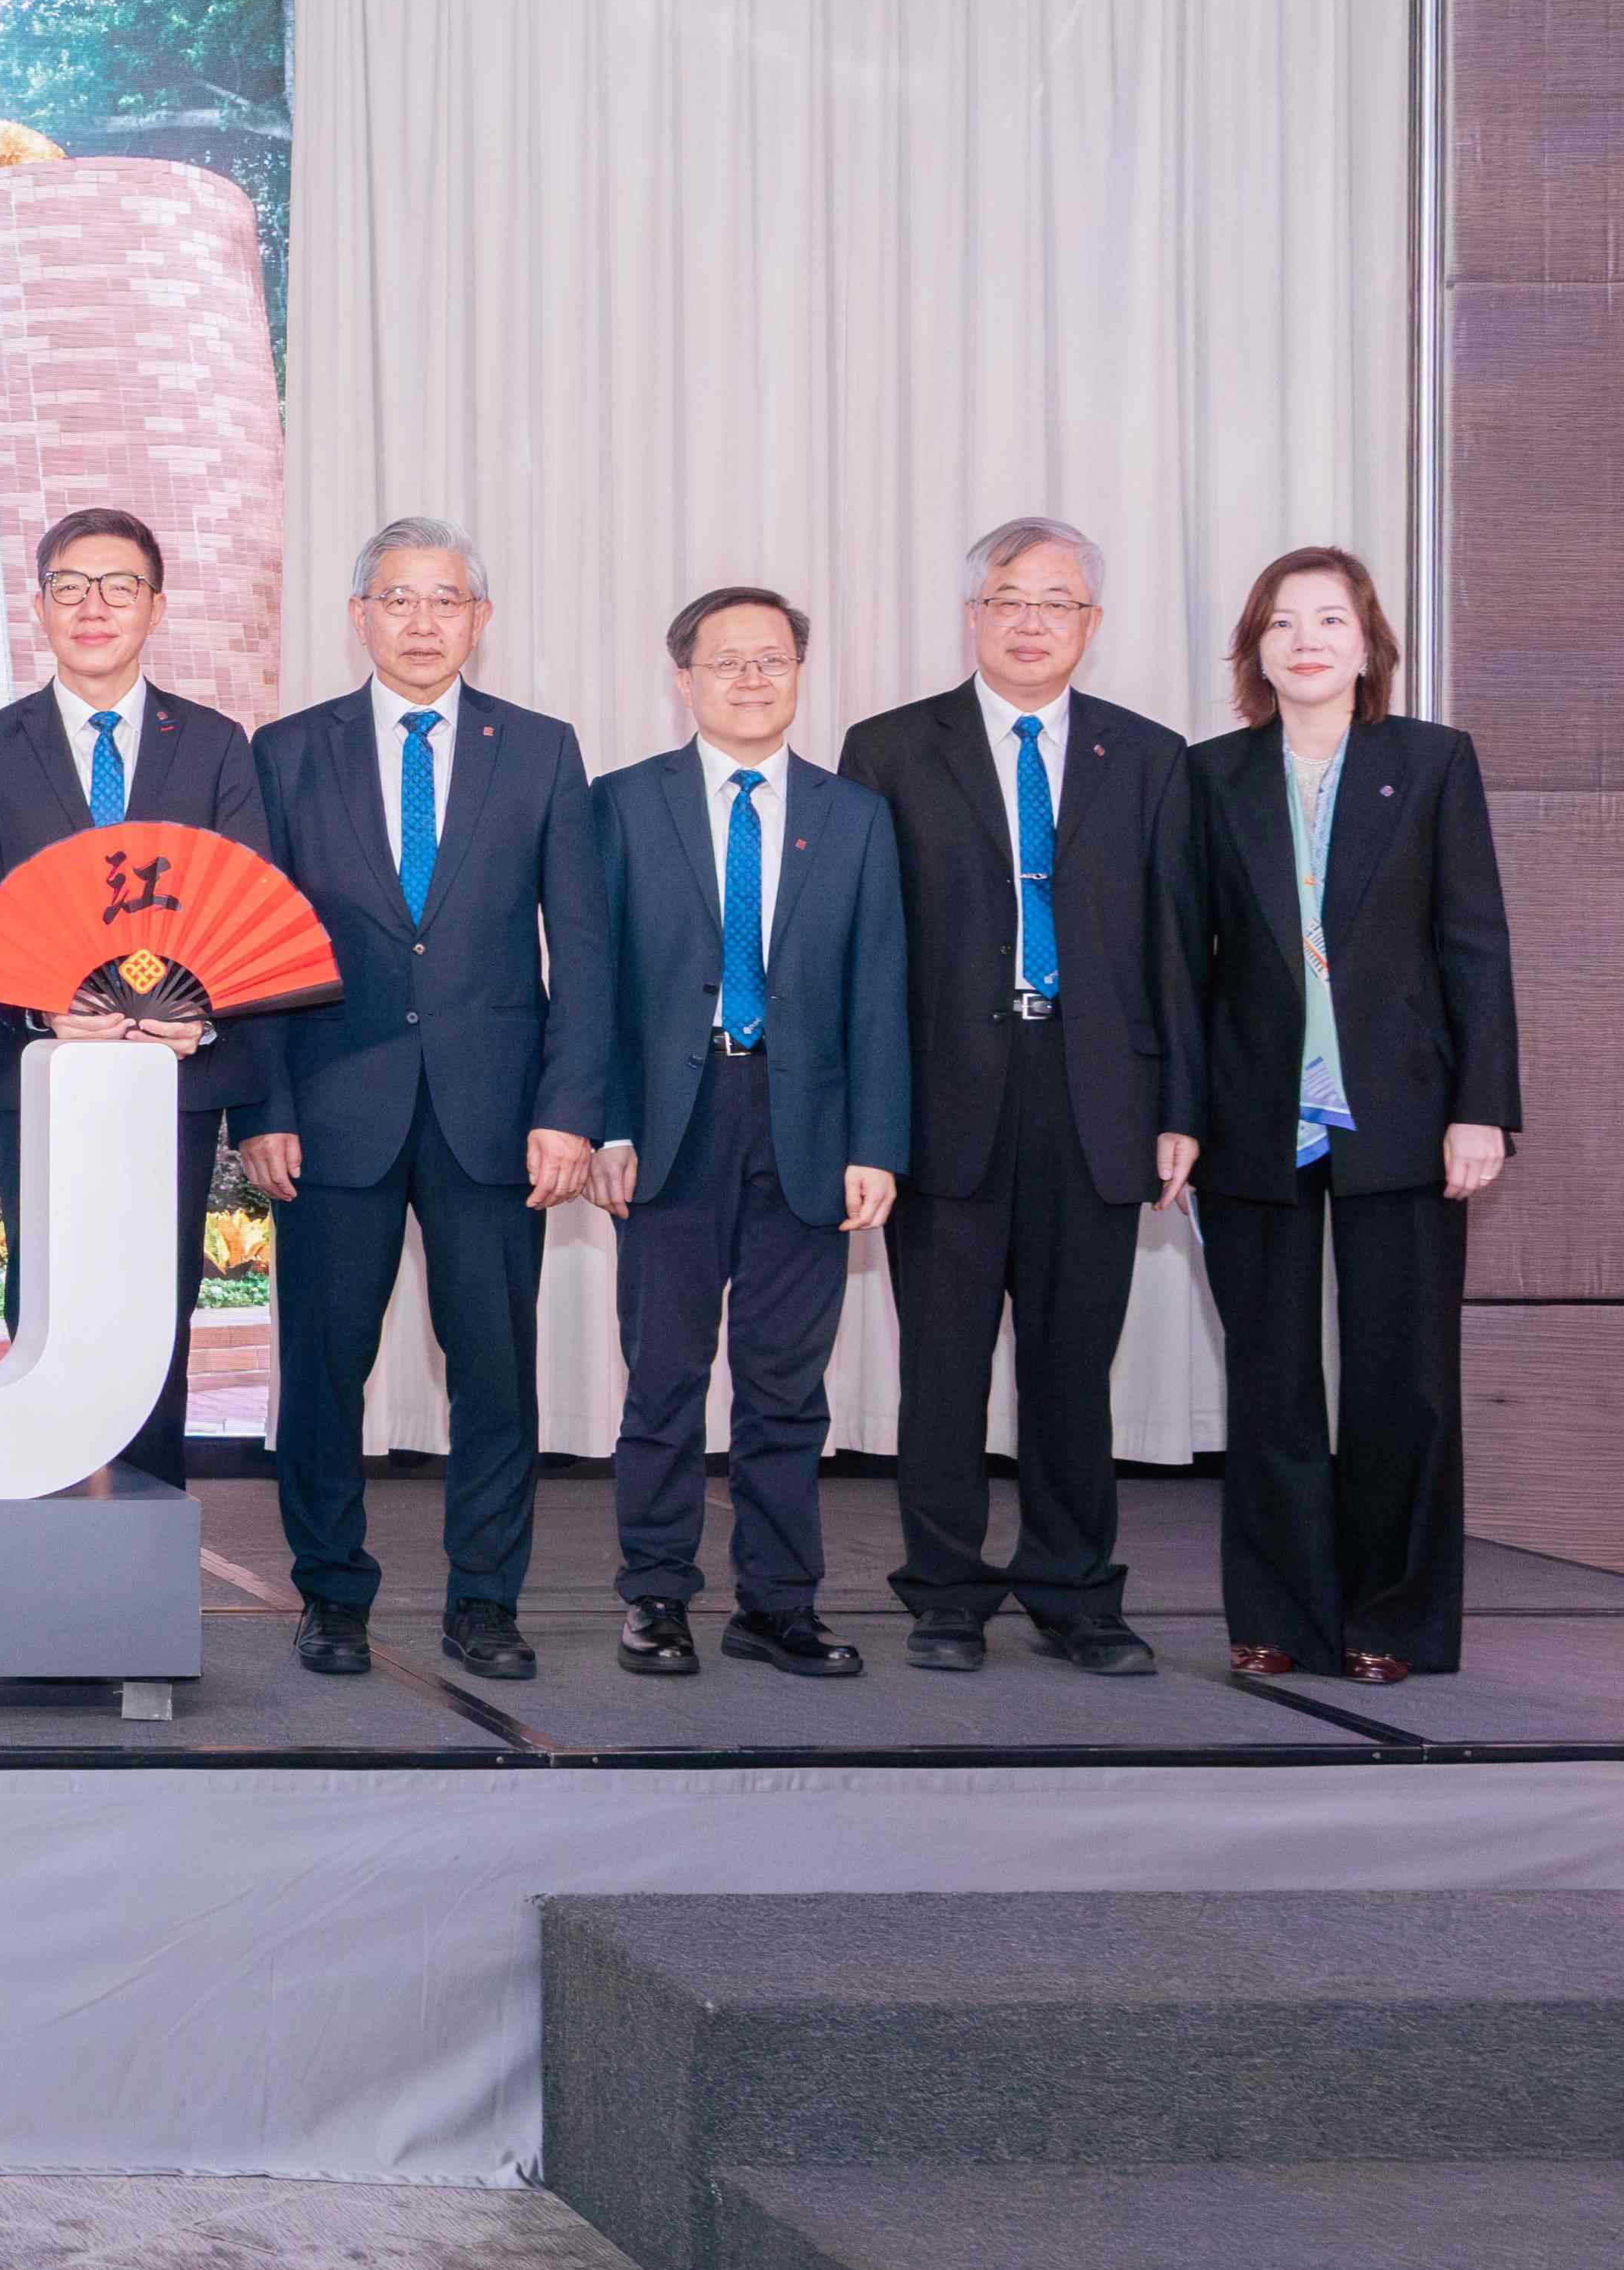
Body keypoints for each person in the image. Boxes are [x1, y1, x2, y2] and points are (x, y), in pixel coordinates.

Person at [241, 517, 615, 1683]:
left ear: (478, 619)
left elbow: (583, 948)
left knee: (495, 1371)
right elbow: (252, 946)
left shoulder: (540, 749)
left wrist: (569, 1107)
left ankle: (485, 1602)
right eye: (396, 598)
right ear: (358, 615)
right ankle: (330, 1594)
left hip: (495, 1118)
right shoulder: (286, 751)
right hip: (327, 1112)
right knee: (322, 1372)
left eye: (444, 599)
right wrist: (262, 1106)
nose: (420, 620)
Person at [842, 517, 1197, 1677]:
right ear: (972, 615)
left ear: (1091, 622)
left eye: (1058, 601)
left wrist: (1179, 1106)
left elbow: (1175, 948)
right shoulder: (890, 748)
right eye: (1010, 598)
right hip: (943, 1102)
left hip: (1097, 1099)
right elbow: (862, 951)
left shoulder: (1149, 756)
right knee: (942, 1370)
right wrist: (867, 1121)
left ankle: (1075, 1590)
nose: (1032, 621)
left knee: (1070, 1369)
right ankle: (945, 1593)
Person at [1178, 545, 1516, 1685]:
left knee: (1401, 1379)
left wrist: (1481, 1107)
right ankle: (1276, 1615)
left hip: (1405, 1111)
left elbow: (1474, 942)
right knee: (1269, 1377)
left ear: (1367, 645)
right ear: (1254, 649)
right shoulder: (1209, 774)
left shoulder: (1429, 762)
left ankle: (1391, 1618)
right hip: (1251, 1113)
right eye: (1282, 622)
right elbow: (1181, 961)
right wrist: (1179, 1114)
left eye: (1330, 619)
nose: (1306, 640)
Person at [587, 587, 906, 1678]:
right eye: (726, 661)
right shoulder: (621, 803)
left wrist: (877, 1142)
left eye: (771, 658)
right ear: (683, 679)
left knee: (784, 1388)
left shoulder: (853, 814)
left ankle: (777, 1605)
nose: (751, 678)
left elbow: (879, 989)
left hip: (806, 1125)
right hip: (667, 1126)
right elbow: (594, 983)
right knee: (663, 1378)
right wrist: (606, 1124)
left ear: (798, 673)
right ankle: (656, 1595)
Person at [0, 506, 269, 1494]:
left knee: (157, 1301)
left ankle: (147, 1529)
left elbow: (246, 899)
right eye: (70, 586)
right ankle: (45, 1521)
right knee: (45, 1293)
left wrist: (196, 1010)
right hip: (35, 1065)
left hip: (175, 1074)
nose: (94, 606)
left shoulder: (212, 743)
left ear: (154, 607)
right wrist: (47, 1006)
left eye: (119, 585)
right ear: (39, 606)